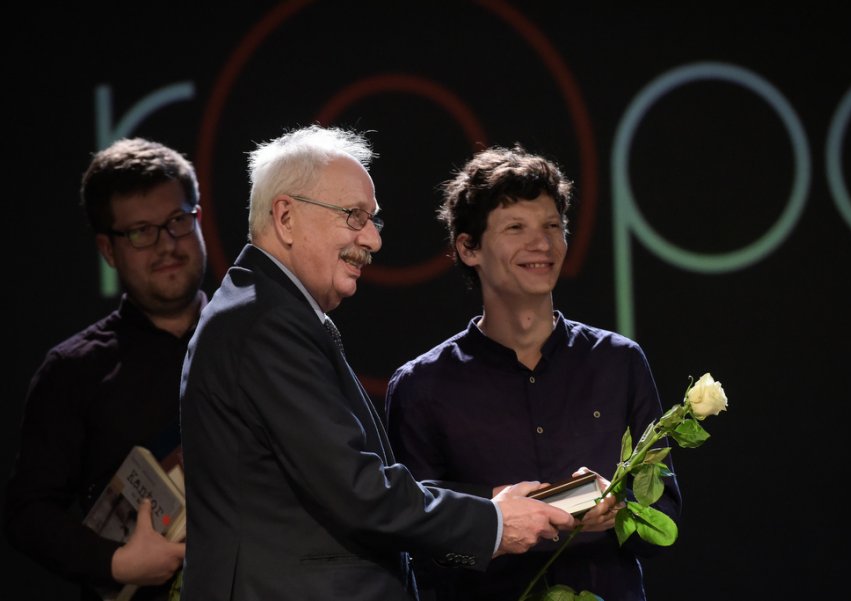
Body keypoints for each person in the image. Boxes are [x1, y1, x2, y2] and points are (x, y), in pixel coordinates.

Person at [177, 124, 575, 601]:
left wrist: (491, 503)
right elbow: (357, 490)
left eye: (373, 221)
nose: (373, 240)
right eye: (354, 216)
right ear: (285, 218)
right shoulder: (264, 323)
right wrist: (492, 522)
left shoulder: (264, 310)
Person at [384, 145, 682, 601]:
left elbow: (664, 517)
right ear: (469, 248)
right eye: (515, 228)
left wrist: (620, 509)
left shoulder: (618, 362)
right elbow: (418, 546)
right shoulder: (422, 386)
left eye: (552, 227)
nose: (541, 244)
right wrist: (501, 518)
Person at [4, 137, 208, 600]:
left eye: (177, 221)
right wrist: (115, 562)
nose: (166, 244)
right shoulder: (72, 371)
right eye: (140, 231)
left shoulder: (258, 344)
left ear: (198, 219)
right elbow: (28, 512)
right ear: (108, 249)